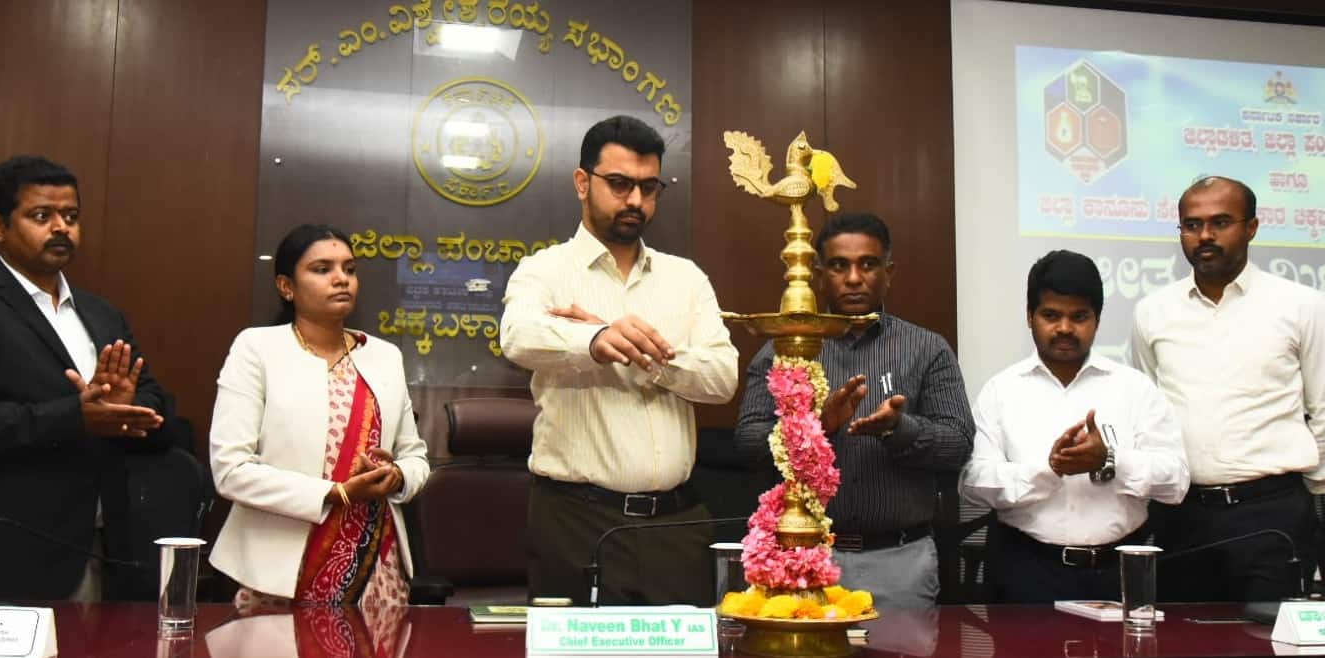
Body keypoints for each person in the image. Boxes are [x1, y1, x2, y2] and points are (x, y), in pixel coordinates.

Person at [0, 155, 173, 600]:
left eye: (71, 216)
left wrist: (128, 410)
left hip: (92, 553)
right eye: (42, 216)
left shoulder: (101, 313)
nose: (62, 227)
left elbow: (155, 400)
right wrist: (76, 417)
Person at [500, 115, 739, 605]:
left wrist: (641, 354)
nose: (635, 200)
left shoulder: (685, 278)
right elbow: (518, 336)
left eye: (649, 188)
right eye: (619, 184)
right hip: (576, 521)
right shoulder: (544, 270)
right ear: (582, 182)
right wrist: (596, 338)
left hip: (675, 524)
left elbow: (722, 378)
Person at [734, 212, 974, 610]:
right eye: (839, 266)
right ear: (819, 274)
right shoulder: (783, 349)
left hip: (900, 560)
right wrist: (818, 426)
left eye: (868, 264)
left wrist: (898, 429)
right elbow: (747, 444)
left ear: (888, 272)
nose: (853, 278)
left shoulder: (927, 349)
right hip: (805, 560)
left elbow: (959, 444)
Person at [1131, 176, 1325, 603]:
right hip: (1182, 516)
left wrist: (1307, 487)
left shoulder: (1304, 306)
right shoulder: (1152, 311)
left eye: (1221, 222)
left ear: (1252, 227)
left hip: (1272, 513)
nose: (1205, 235)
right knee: (1183, 635)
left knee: (1270, 634)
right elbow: (1149, 410)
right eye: (1192, 225)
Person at [208, 224, 429, 608]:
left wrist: (397, 476)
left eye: (349, 269)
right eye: (322, 269)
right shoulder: (257, 349)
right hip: (281, 569)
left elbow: (415, 456)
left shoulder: (384, 356)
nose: (341, 279)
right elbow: (231, 470)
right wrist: (335, 493)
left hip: (375, 565)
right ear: (286, 286)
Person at [961, 250, 1188, 603]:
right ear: (1030, 316)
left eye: (1079, 316)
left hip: (1118, 572)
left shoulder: (1135, 388)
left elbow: (1176, 482)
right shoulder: (1000, 391)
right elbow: (973, 482)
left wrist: (1110, 460)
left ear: (1097, 319)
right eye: (1051, 315)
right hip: (1026, 570)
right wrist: (1049, 470)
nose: (1065, 328)